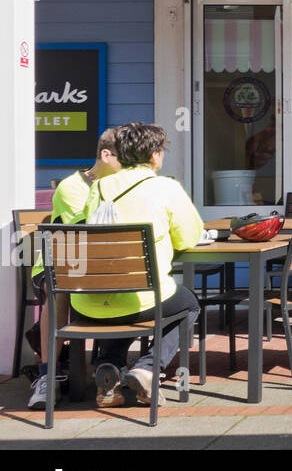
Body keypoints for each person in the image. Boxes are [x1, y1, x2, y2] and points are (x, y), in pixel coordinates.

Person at [71, 123, 204, 408]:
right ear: (155, 155)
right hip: (140, 297)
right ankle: (147, 368)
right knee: (187, 304)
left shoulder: (100, 187)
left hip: (87, 301)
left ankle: (109, 366)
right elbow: (189, 236)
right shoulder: (166, 187)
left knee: (125, 294)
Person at [27, 127, 121, 410]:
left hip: (104, 263)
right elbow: (90, 235)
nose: (128, 168)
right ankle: (47, 376)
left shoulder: (123, 187)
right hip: (59, 262)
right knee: (60, 290)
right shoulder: (72, 187)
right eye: (124, 160)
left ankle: (113, 364)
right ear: (105, 155)